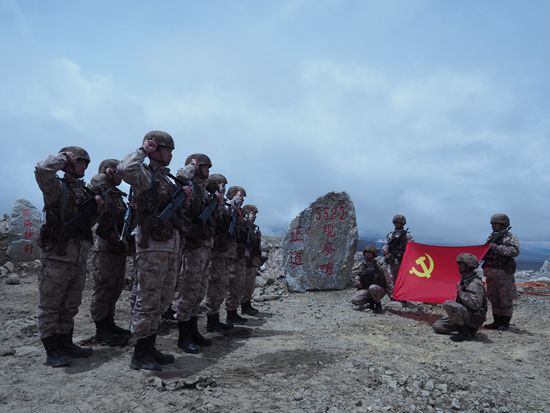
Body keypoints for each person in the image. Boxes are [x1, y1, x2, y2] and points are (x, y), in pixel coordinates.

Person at [118, 131, 194, 371]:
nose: (171, 154)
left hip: (170, 246)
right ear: (156, 150)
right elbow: (125, 169)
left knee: (162, 300)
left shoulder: (167, 180)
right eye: (167, 149)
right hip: (151, 247)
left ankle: (150, 346)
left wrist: (186, 198)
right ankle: (140, 353)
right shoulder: (144, 175)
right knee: (147, 299)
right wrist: (143, 150)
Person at [35, 146, 100, 367]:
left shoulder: (83, 191)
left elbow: (86, 223)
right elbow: (42, 170)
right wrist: (62, 158)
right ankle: (52, 349)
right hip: (57, 256)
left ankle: (66, 343)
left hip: (78, 255)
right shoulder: (56, 187)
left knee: (71, 303)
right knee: (51, 304)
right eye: (81, 161)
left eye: (86, 163)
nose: (84, 166)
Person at [174, 154, 216, 354]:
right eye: (205, 167)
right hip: (192, 246)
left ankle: (193, 330)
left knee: (199, 291)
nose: (208, 170)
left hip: (204, 245)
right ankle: (183, 336)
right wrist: (192, 165)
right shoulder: (186, 182)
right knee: (188, 291)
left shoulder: (203, 191)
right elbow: (181, 176)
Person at [89, 159, 133, 347]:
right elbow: (96, 181)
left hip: (118, 247)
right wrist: (106, 173)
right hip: (105, 247)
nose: (120, 176)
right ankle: (101, 329)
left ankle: (110, 323)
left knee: (115, 287)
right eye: (117, 172)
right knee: (104, 288)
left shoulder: (117, 196)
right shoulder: (100, 186)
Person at [202, 174, 235, 333]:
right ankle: (210, 322)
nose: (224, 187)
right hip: (212, 252)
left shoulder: (221, 204)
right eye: (222, 184)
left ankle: (214, 320)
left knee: (220, 287)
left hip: (221, 251)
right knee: (213, 287)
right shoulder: (209, 201)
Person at [432, 253, 488, 341]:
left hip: (473, 317)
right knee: (437, 326)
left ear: (468, 266)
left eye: (461, 264)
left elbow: (475, 305)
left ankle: (465, 333)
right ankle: (463, 328)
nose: (458, 267)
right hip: (464, 314)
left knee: (448, 304)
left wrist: (461, 292)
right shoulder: (464, 280)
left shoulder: (474, 283)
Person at [482, 213, 520, 331]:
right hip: (491, 272)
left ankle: (504, 322)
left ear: (503, 224)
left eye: (496, 224)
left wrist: (496, 247)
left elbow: (514, 251)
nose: (493, 226)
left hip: (504, 273)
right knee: (493, 297)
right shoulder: (491, 237)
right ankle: (496, 321)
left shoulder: (509, 237)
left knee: (505, 297)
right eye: (492, 224)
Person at [224, 186, 249, 325]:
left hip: (237, 253)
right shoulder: (228, 208)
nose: (243, 199)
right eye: (241, 196)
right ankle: (226, 315)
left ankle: (232, 313)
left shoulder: (239, 214)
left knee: (237, 285)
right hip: (228, 254)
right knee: (230, 284)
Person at [351, 245, 393, 314]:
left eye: (369, 253)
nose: (367, 254)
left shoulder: (380, 265)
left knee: (372, 288)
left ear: (373, 254)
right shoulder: (363, 265)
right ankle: (371, 302)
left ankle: (378, 305)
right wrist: (357, 280)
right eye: (366, 252)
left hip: (379, 289)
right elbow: (357, 274)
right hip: (367, 289)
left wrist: (392, 296)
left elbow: (388, 281)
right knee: (355, 300)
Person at [240, 204, 262, 316]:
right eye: (253, 213)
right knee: (240, 284)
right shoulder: (241, 225)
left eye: (255, 214)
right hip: (243, 259)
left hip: (252, 260)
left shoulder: (254, 228)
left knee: (250, 285)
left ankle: (246, 305)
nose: (254, 216)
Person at [383, 215, 413, 282]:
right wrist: (385, 250)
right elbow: (386, 244)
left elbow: (412, 246)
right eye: (396, 222)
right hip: (391, 256)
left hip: (402, 257)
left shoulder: (407, 235)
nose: (397, 224)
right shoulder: (391, 234)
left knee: (398, 274)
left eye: (399, 222)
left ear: (402, 224)